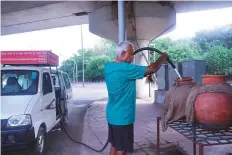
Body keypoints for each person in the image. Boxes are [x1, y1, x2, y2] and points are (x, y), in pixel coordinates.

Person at [104, 41, 169, 155]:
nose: (133, 57)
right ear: (123, 53)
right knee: (121, 149)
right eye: (131, 54)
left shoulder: (109, 66)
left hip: (112, 115)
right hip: (123, 117)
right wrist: (162, 57)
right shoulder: (126, 69)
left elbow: (145, 72)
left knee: (114, 145)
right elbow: (152, 69)